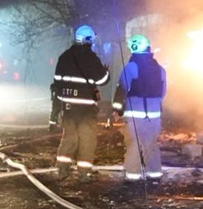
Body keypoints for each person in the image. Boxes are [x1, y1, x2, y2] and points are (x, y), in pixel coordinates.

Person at [51, 24, 110, 181]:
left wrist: (55, 111)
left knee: (69, 137)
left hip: (68, 107)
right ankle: (84, 173)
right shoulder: (90, 57)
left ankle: (62, 169)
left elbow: (57, 84)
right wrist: (107, 72)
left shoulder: (64, 57)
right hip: (85, 108)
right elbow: (103, 80)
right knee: (87, 139)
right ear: (89, 40)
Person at [112, 34, 167, 183]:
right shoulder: (160, 69)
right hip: (154, 116)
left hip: (134, 116)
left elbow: (122, 89)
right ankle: (154, 174)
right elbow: (162, 93)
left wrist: (117, 110)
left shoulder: (130, 67)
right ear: (148, 48)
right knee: (151, 145)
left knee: (134, 145)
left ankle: (132, 176)